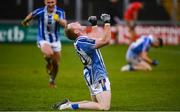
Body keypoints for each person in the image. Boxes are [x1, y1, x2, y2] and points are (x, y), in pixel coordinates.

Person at [52, 14, 111, 110]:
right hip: (97, 74)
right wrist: (107, 23)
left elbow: (94, 39)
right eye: (74, 24)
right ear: (76, 31)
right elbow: (106, 41)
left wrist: (94, 25)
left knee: (95, 104)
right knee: (104, 107)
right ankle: (70, 106)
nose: (77, 22)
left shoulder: (81, 41)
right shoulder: (82, 41)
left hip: (91, 74)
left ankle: (69, 103)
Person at [21, 0, 67, 88]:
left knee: (56, 64)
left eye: (52, 2)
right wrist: (25, 21)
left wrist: (57, 18)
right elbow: (31, 15)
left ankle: (52, 80)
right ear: (45, 3)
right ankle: (48, 61)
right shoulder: (41, 11)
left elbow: (64, 24)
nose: (50, 4)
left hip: (55, 40)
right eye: (48, 2)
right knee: (49, 54)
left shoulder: (60, 12)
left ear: (55, 2)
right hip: (43, 39)